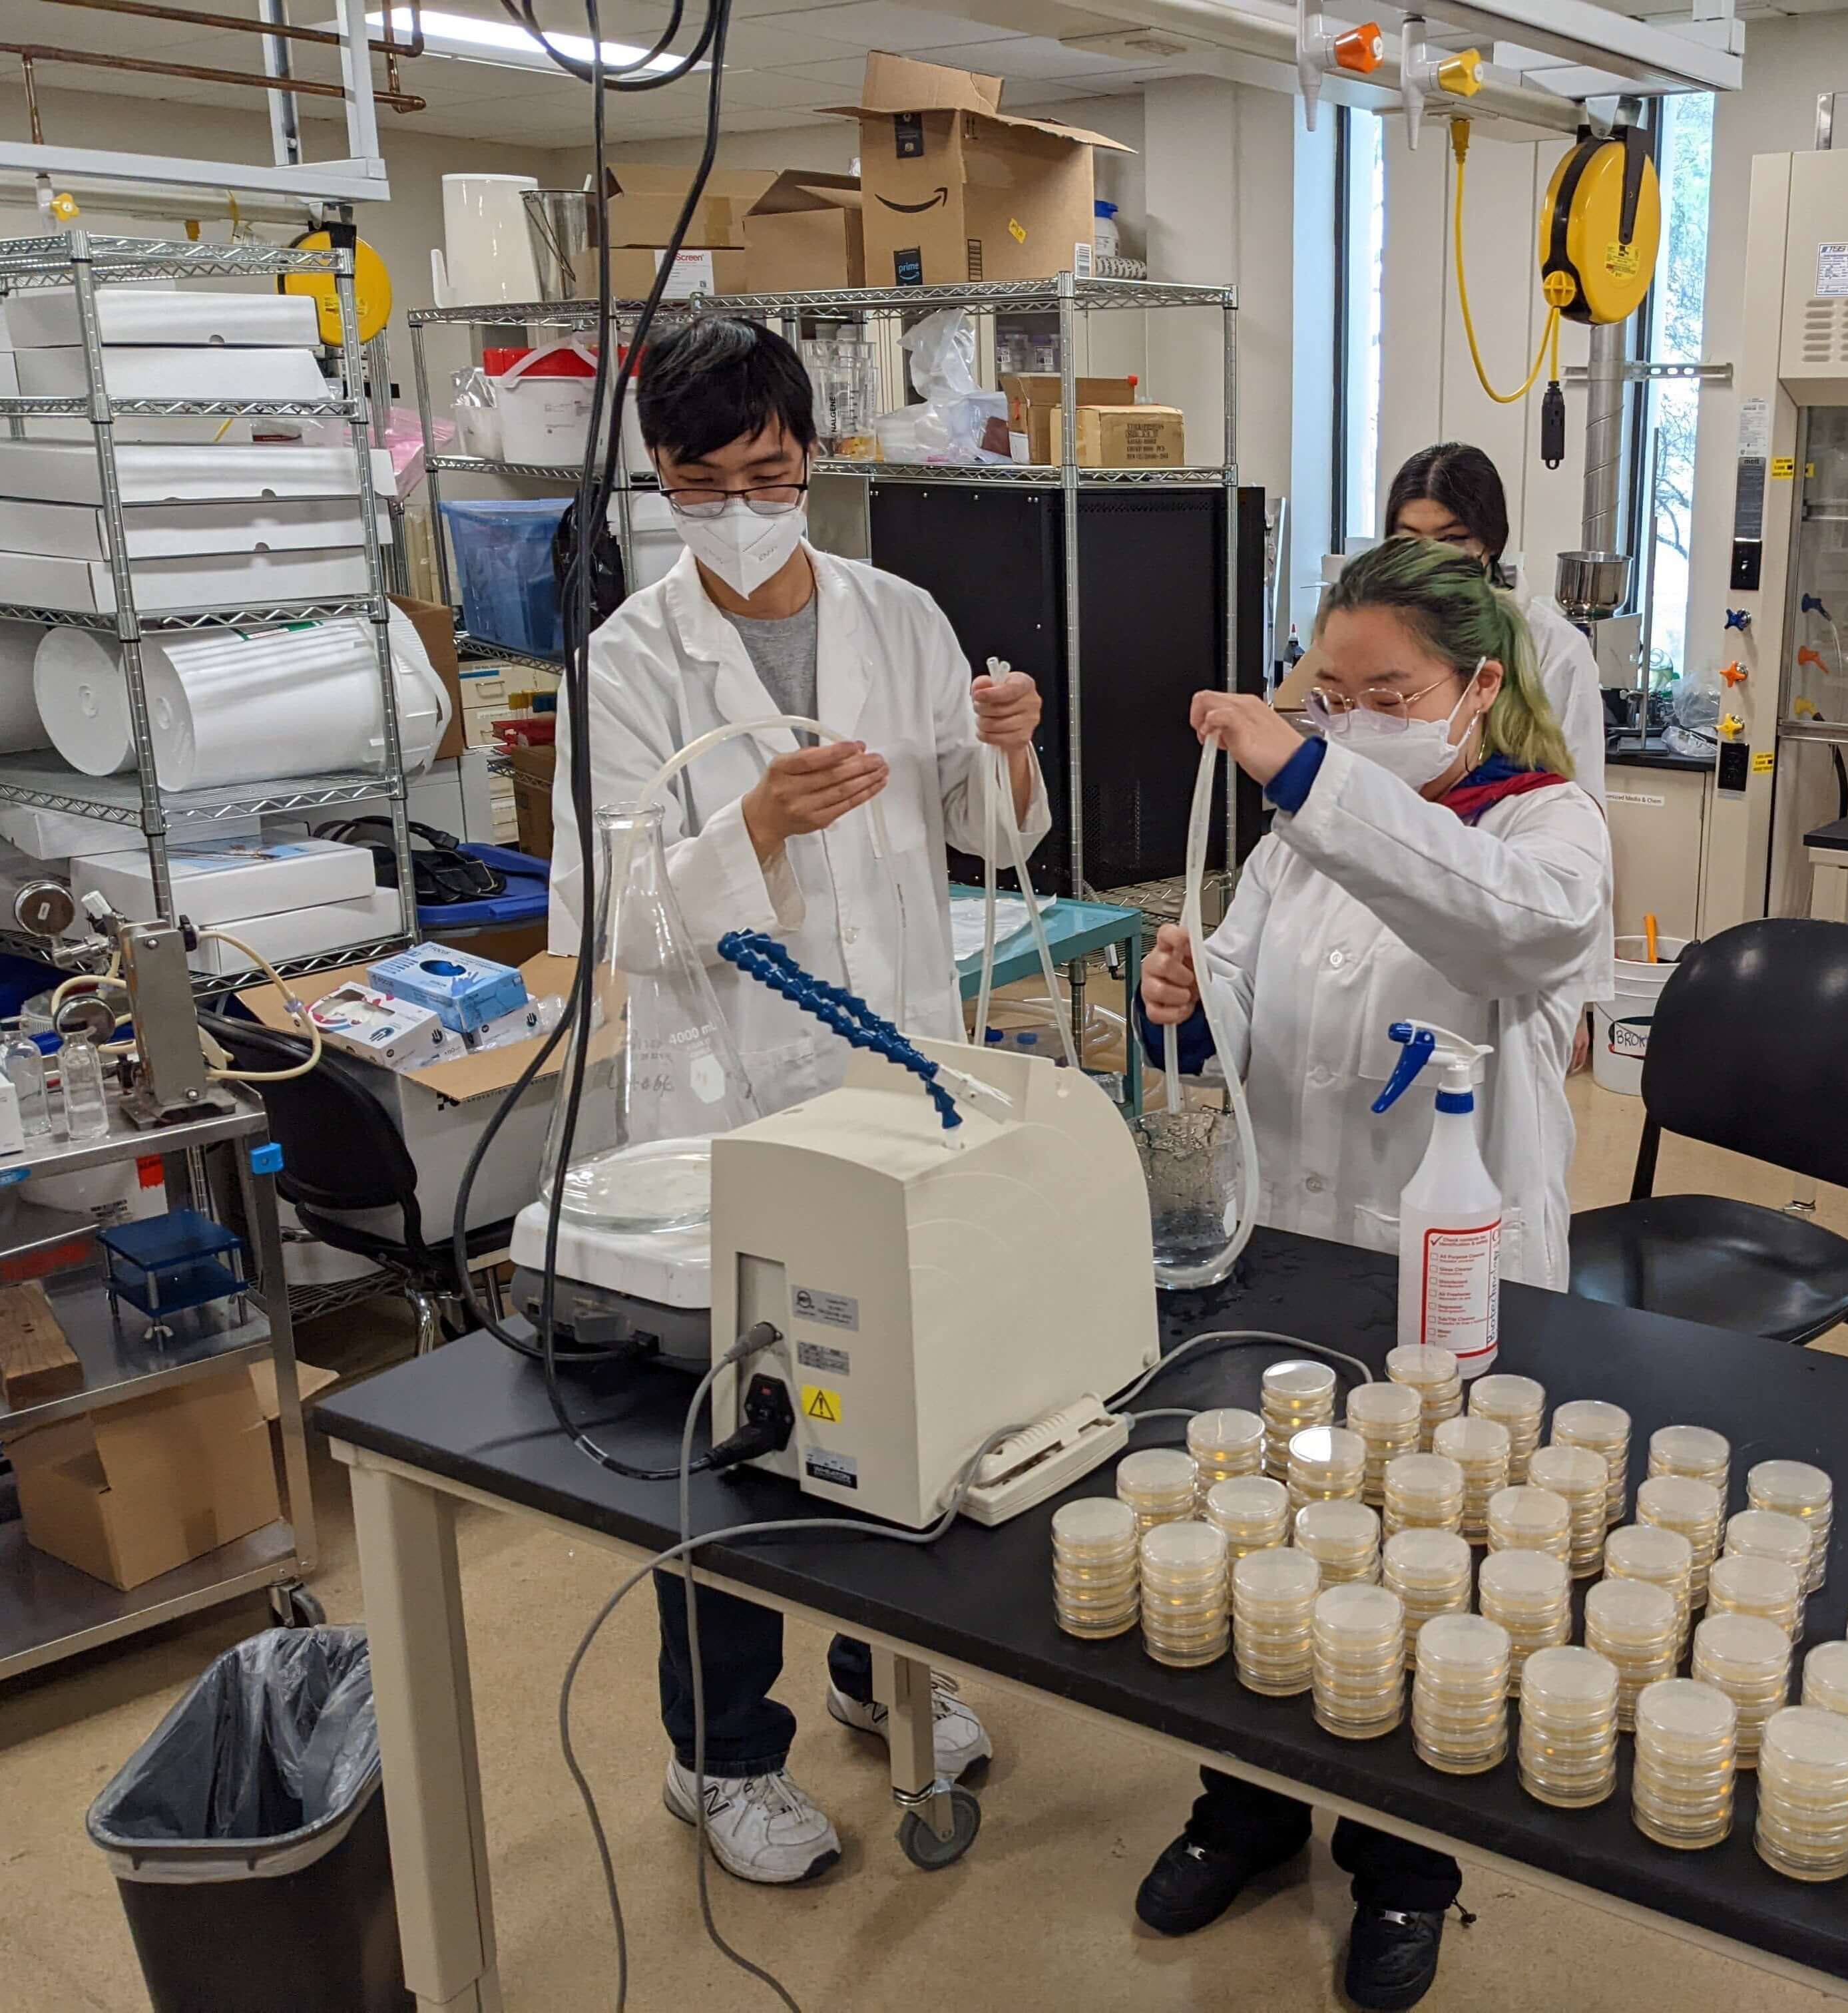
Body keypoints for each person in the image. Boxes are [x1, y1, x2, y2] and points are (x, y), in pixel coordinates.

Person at [549, 317, 1048, 1886]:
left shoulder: (898, 617)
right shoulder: (627, 667)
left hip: (886, 1072)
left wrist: (1010, 754)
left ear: (812, 457)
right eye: (702, 485)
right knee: (739, 1433)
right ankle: (722, 1756)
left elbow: (985, 830)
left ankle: (883, 1669)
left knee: (899, 1391)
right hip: (725, 1107)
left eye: (767, 474)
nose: (741, 508)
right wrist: (751, 829)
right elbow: (610, 917)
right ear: (661, 480)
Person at [1130, 537, 1608, 2009]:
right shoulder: (1293, 838)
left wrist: (1302, 774)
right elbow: (1257, 1009)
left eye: (1383, 692)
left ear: (1475, 689)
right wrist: (1193, 998)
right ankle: (1250, 1810)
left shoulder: (1548, 830)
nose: (1348, 721)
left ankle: (1407, 1869)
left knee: (1423, 1569)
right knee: (1271, 1540)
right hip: (1294, 1255)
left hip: (1445, 1279)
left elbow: (1503, 926)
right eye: (1326, 694)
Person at [1383, 440, 1606, 803]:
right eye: (1409, 541)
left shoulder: (1554, 649)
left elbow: (1583, 799)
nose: (1428, 560)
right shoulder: (1378, 636)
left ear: (1492, 541)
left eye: (1452, 540)